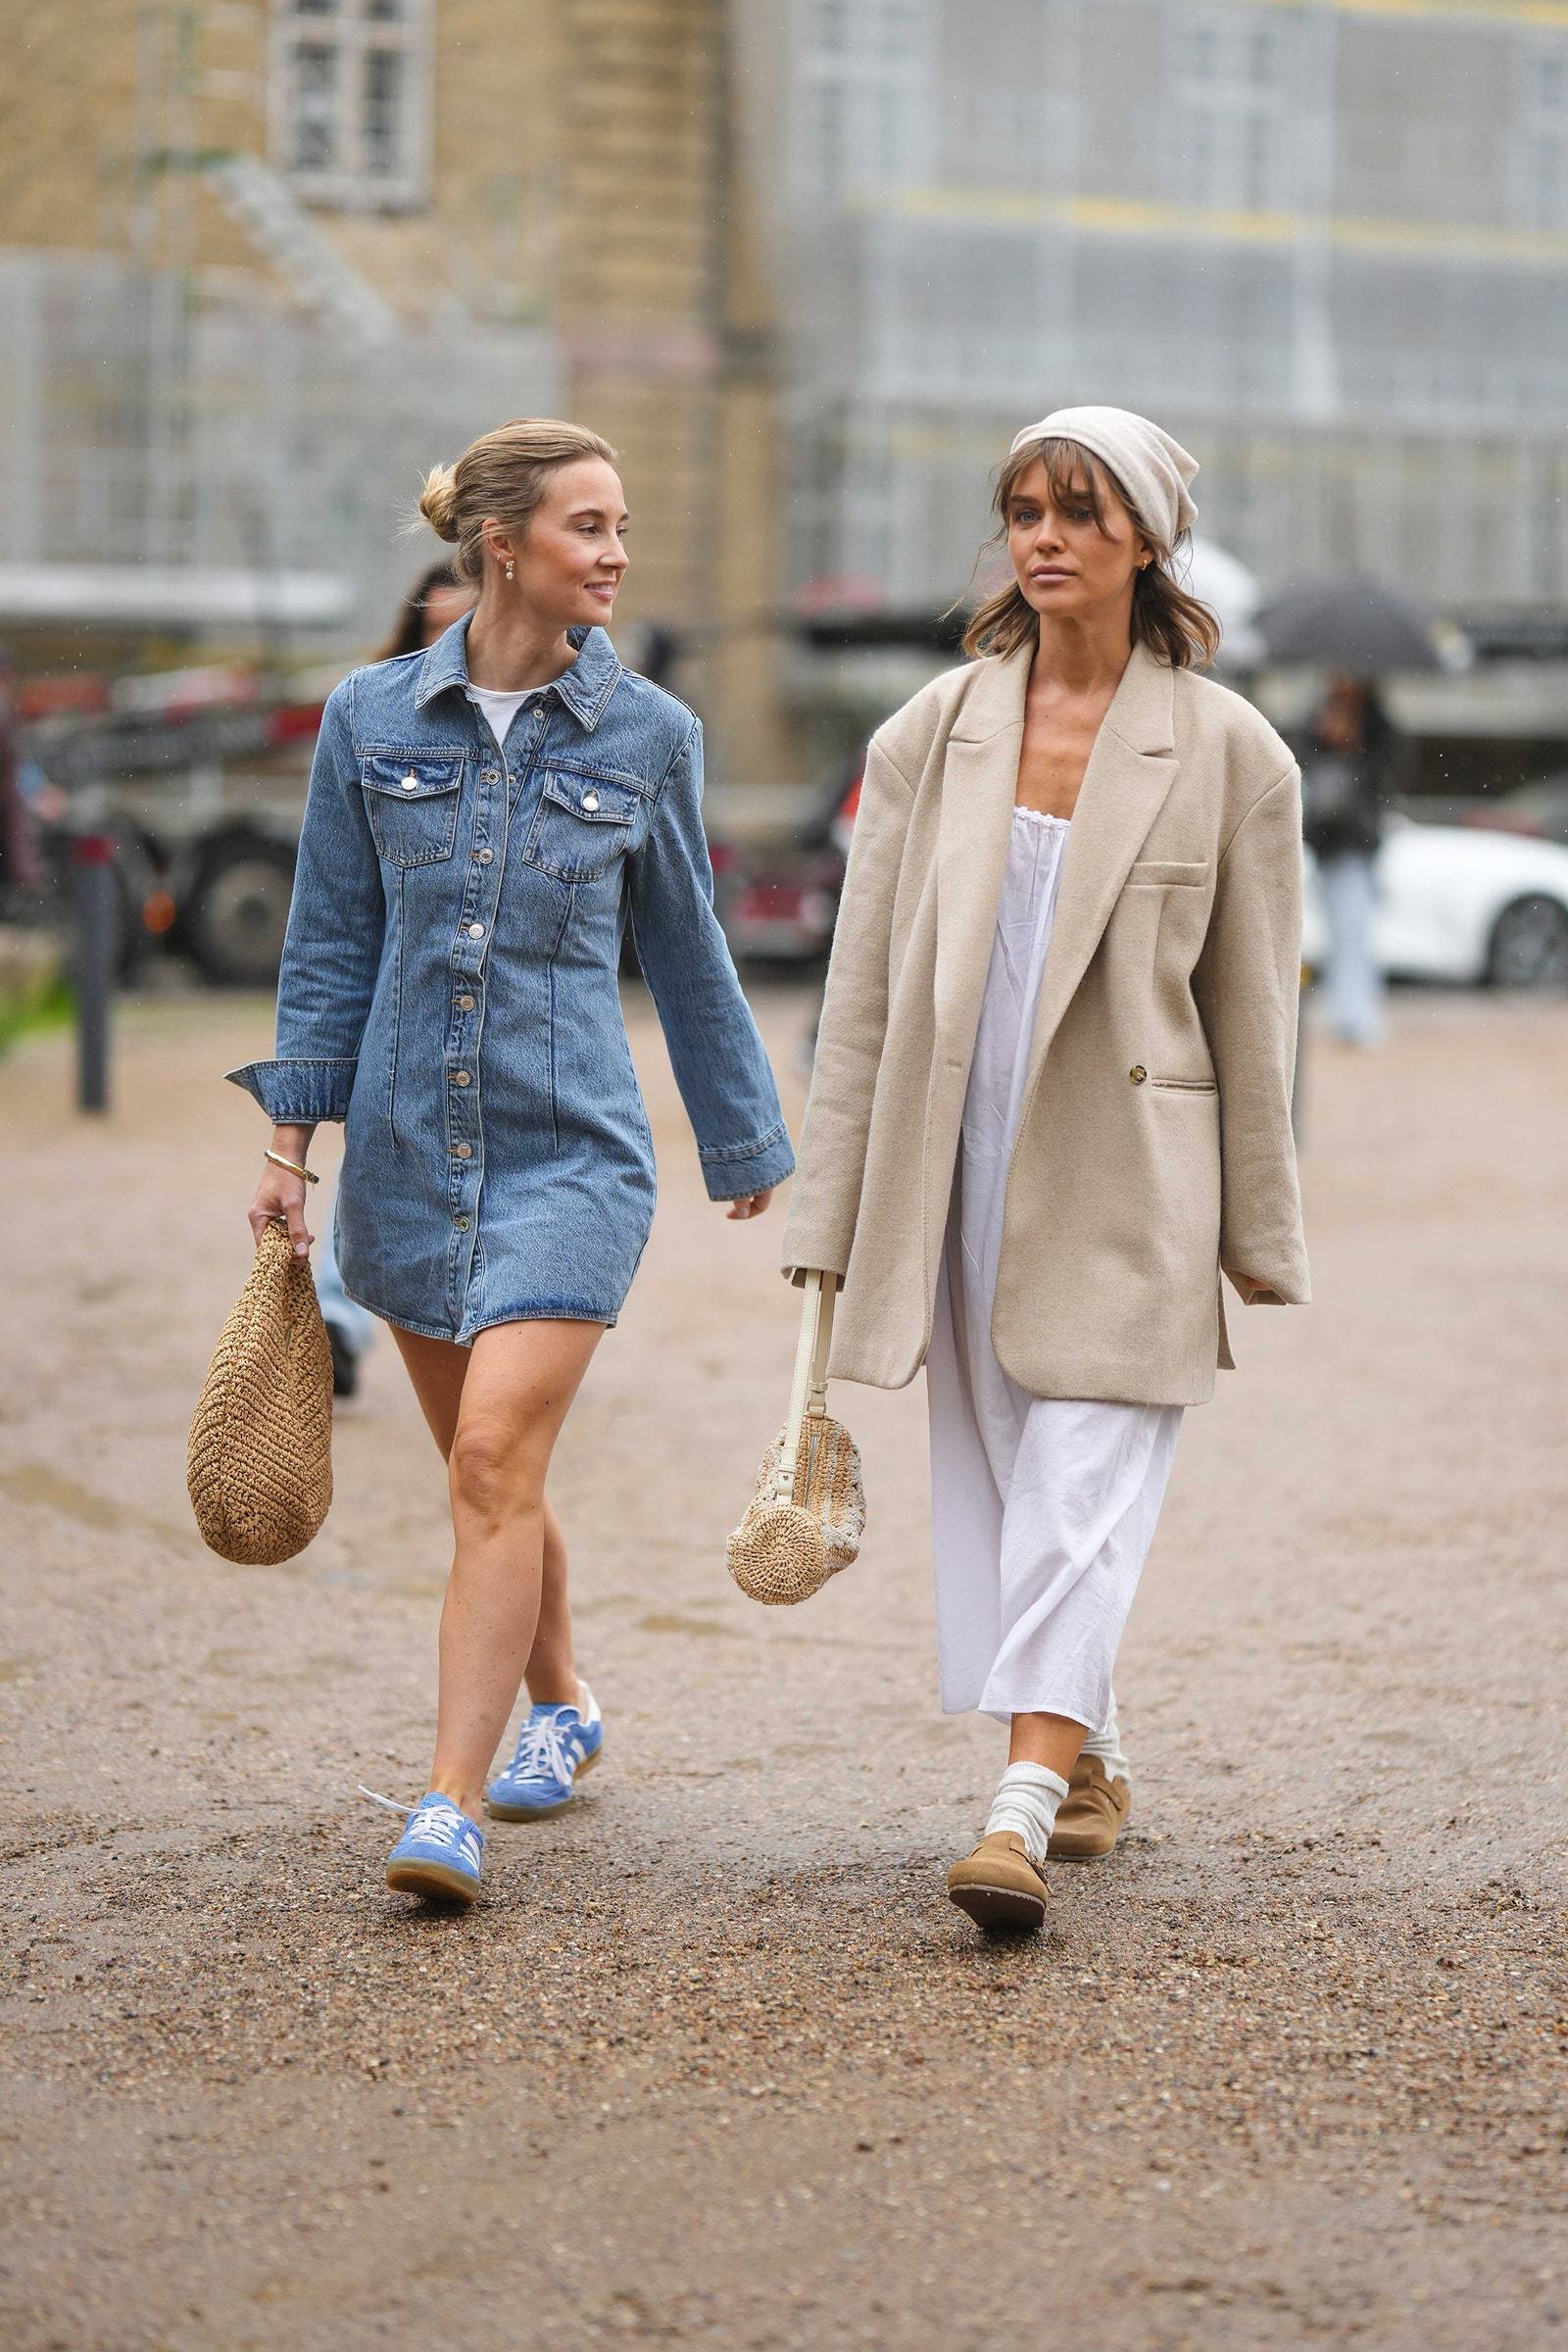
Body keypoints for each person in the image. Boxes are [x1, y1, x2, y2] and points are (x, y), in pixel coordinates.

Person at [229, 417, 794, 1904]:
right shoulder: (368, 720)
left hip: (572, 1165)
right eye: (589, 527)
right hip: (409, 1160)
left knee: (492, 1459)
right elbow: (330, 942)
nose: (617, 553)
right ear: (503, 546)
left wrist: (745, 1138)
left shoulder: (648, 736)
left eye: (620, 527)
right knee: (493, 1478)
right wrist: (292, 1147)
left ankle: (446, 1806)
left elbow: (687, 950)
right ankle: (567, 1698)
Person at [780, 405, 1309, 1934]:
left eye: (1079, 510)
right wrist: (832, 1207)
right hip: (961, 1162)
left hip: (1133, 1171)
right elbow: (863, 989)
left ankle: (1014, 1808)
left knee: (1082, 1473)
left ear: (1145, 536)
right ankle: (1095, 1751)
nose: (1045, 536)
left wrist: (1259, 1232)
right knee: (1017, 1482)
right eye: (1024, 508)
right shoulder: (928, 734)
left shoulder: (1230, 752)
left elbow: (1253, 1013)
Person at [316, 561, 481, 1397]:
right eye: (431, 628)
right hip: (390, 993)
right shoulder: (369, 717)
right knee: (378, 1167)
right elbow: (335, 917)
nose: (448, 644)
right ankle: (339, 1321)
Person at [1299, 673, 1394, 1048]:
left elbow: (1388, 775)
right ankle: (1346, 1012)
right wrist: (1325, 739)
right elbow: (1298, 766)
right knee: (1337, 933)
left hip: (1357, 842)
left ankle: (1355, 1016)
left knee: (1353, 931)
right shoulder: (1315, 718)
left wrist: (1354, 745)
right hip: (1323, 841)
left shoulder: (1377, 724)